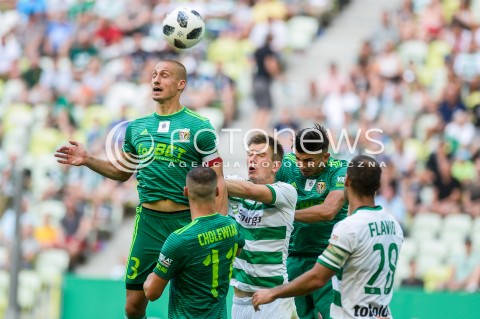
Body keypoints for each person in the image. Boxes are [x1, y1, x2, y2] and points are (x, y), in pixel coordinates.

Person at [54, 59, 228, 319]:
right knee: (133, 307)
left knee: (189, 304)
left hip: (186, 223)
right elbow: (123, 173)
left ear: (181, 84)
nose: (156, 80)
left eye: (165, 75)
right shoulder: (136, 127)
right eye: (154, 75)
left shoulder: (199, 126)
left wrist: (220, 225)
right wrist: (87, 159)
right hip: (149, 223)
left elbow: (219, 180)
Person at [253, 155, 404, 319]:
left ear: (346, 181)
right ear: (378, 186)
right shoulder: (394, 225)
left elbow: (317, 278)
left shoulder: (350, 228)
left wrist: (273, 293)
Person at [144, 167, 242, 318]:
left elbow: (152, 293)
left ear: (185, 192)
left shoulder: (180, 239)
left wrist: (151, 276)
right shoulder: (232, 226)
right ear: (217, 191)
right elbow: (237, 251)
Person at [275, 124, 348, 319]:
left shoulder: (339, 170)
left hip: (328, 258)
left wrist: (285, 215)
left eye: (308, 160)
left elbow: (328, 211)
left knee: (334, 315)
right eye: (298, 158)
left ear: (325, 157)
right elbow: (261, 187)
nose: (302, 165)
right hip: (292, 257)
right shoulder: (287, 165)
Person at [225, 134, 298, 319]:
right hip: (239, 302)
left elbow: (250, 191)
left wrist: (210, 182)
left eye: (260, 155)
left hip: (274, 301)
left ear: (275, 165)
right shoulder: (234, 184)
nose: (252, 158)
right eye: (250, 154)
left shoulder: (286, 192)